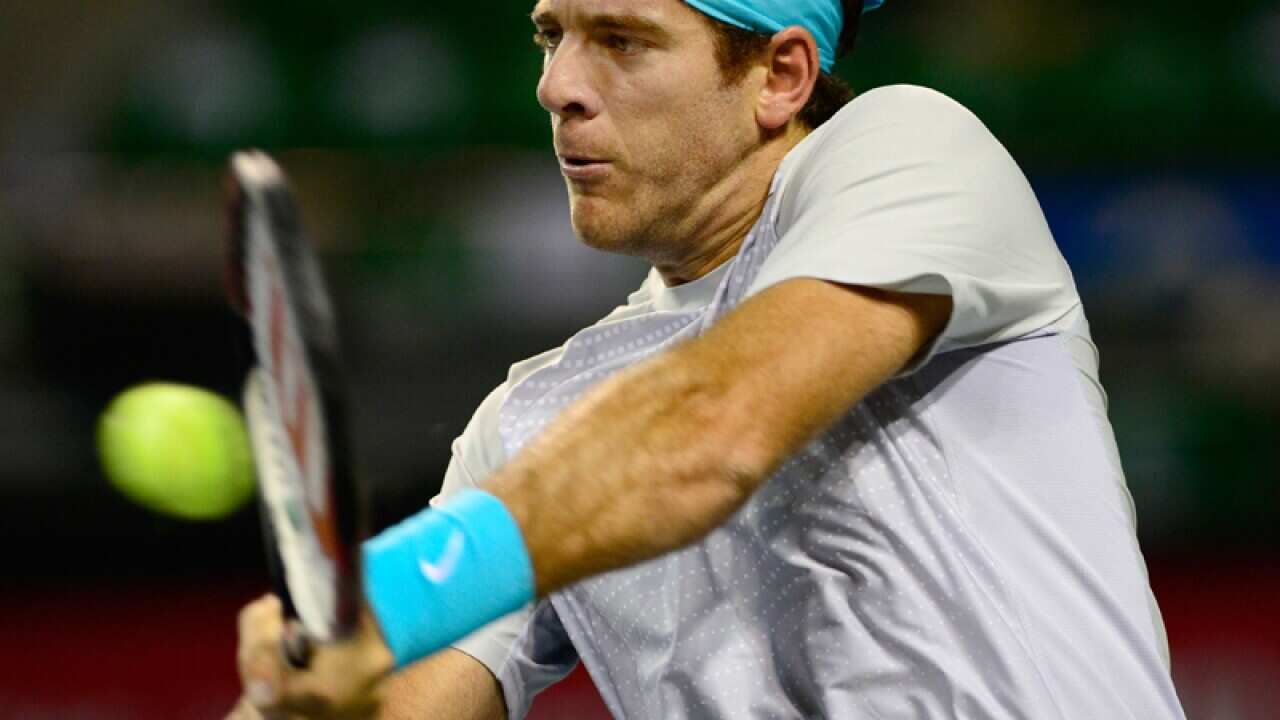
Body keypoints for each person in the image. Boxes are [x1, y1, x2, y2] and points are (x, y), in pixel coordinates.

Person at [231, 0, 1188, 718]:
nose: (557, 84)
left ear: (781, 75)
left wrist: (392, 590)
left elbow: (709, 432)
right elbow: (407, 696)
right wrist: (304, 681)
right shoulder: (531, 428)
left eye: (621, 41)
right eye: (550, 34)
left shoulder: (914, 150)